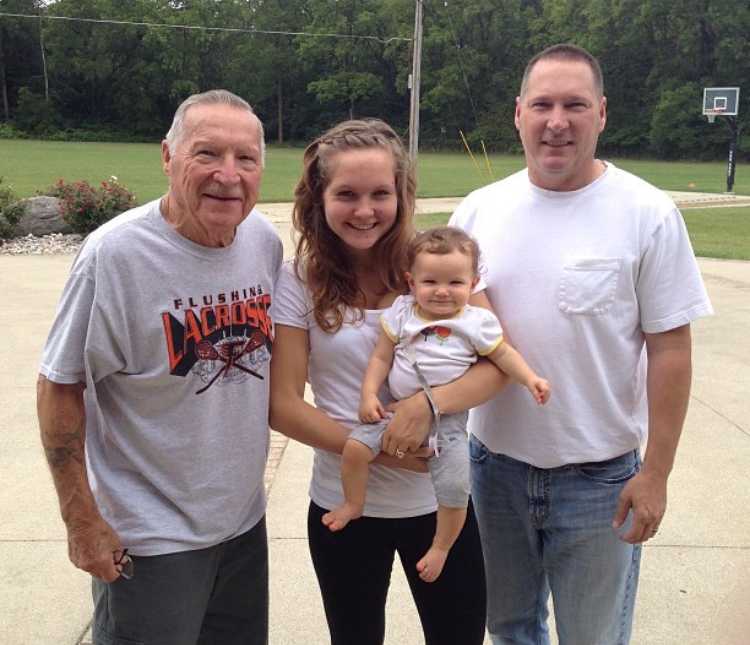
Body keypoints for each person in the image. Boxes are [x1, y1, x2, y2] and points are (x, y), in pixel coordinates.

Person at [445, 44, 714, 644]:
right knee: (509, 630)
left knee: (591, 638)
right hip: (495, 471)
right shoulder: (480, 212)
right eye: (542, 104)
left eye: (575, 105)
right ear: (518, 113)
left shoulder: (647, 213)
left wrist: (658, 474)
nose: (557, 121)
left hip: (602, 481)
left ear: (602, 114)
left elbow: (671, 349)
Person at [37, 90, 282, 645]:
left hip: (243, 524)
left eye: (245, 158)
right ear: (167, 157)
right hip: (150, 538)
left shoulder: (262, 241)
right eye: (207, 154)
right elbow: (59, 386)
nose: (229, 174)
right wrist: (81, 520)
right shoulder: (116, 257)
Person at [269, 120, 505, 645]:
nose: (364, 210)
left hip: (440, 504)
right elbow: (284, 405)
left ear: (402, 193)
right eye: (346, 194)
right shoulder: (298, 277)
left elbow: (497, 366)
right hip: (343, 503)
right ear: (319, 198)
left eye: (381, 193)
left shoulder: (439, 267)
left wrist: (428, 404)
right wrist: (382, 451)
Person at [323, 226, 550, 585]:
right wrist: (368, 395)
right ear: (411, 282)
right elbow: (381, 359)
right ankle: (354, 503)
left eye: (455, 283)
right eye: (430, 281)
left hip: (447, 425)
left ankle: (441, 546)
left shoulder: (476, 322)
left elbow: (504, 356)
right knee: (353, 449)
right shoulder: (402, 313)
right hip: (393, 412)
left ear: (472, 282)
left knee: (456, 489)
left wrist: (531, 380)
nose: (442, 291)